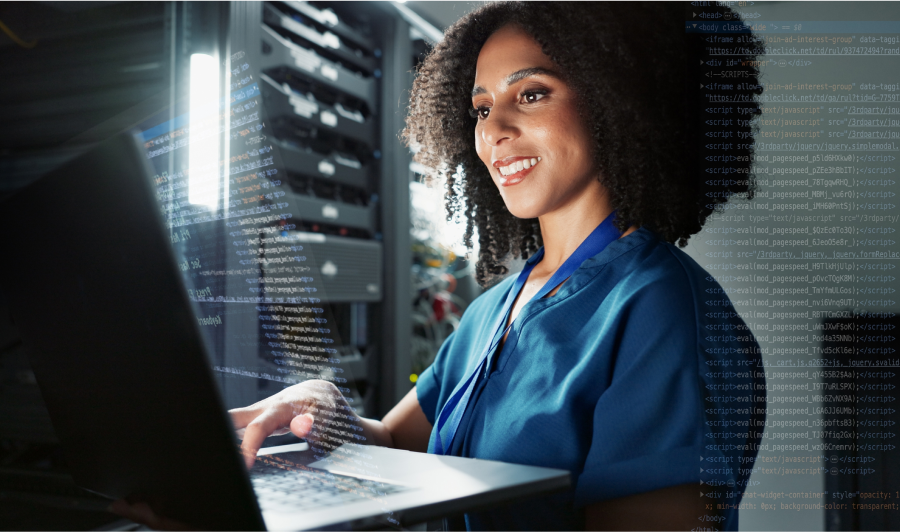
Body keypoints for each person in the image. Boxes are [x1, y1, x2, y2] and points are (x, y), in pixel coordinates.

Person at [115, 0, 767, 530]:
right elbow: (397, 445)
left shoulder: (667, 314)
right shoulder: (497, 308)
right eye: (481, 108)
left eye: (531, 94)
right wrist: (320, 405)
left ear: (621, 98)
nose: (493, 131)